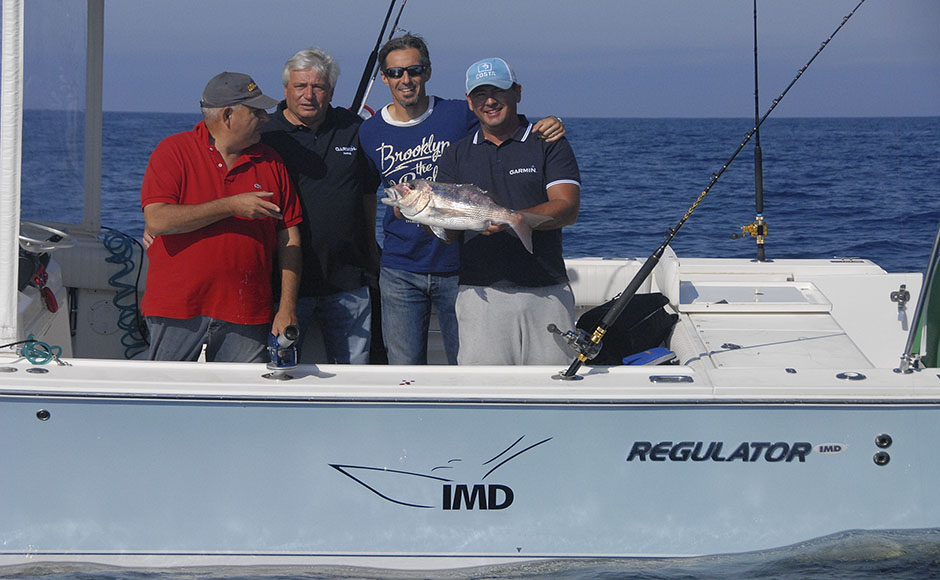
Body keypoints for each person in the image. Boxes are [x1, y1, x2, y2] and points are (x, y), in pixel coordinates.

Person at [358, 34, 566, 365]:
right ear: (383, 77)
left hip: (458, 265)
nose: (405, 80)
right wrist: (372, 250)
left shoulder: (458, 114)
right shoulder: (369, 131)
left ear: (427, 72)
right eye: (396, 73)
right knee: (403, 366)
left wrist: (549, 123)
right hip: (399, 269)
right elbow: (369, 193)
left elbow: (505, 120)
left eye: (414, 70)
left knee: (465, 363)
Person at [140, 72, 303, 362]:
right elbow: (157, 220)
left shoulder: (271, 161)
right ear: (228, 115)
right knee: (166, 396)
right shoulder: (173, 151)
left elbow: (289, 235)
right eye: (256, 112)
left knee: (241, 401)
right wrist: (231, 206)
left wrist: (287, 306)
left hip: (247, 312)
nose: (266, 118)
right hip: (177, 309)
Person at [436, 57, 581, 365]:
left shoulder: (548, 142)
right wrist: (423, 214)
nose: (489, 101)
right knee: (483, 397)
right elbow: (447, 233)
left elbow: (567, 208)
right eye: (479, 94)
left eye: (498, 91)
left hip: (547, 291)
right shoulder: (456, 153)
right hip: (480, 294)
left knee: (555, 394)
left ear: (517, 92)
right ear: (469, 102)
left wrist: (514, 219)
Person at [262, 48, 381, 364]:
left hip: (348, 283)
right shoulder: (264, 134)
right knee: (279, 376)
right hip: (282, 285)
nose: (309, 95)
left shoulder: (353, 128)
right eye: (300, 86)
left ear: (331, 91)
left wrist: (372, 249)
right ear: (286, 89)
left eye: (318, 87)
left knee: (354, 380)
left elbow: (371, 190)